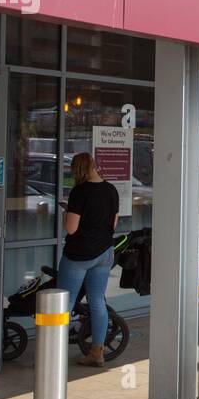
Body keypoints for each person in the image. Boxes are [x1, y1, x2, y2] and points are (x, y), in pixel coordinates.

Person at [59, 152, 120, 367]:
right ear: (95, 166)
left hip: (79, 255)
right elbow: (112, 225)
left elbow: (71, 228)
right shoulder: (111, 190)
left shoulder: (79, 192)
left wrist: (68, 213)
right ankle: (97, 352)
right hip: (104, 253)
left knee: (63, 302)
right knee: (97, 301)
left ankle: (53, 354)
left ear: (77, 170)